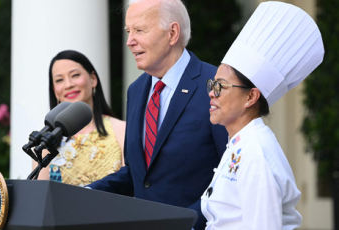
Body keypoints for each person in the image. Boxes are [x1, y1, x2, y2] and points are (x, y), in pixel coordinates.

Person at [88, 0, 228, 229]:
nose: (129, 42)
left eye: (139, 30)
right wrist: (87, 192)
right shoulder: (136, 90)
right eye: (128, 32)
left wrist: (187, 222)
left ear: (172, 33)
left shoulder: (214, 86)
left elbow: (231, 175)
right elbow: (138, 173)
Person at [200, 1, 324, 229]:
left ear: (251, 97)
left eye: (221, 86)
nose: (211, 93)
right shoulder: (240, 144)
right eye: (212, 84)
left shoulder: (256, 153)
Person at [33, 50, 126, 187]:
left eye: (75, 75)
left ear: (93, 79)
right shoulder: (46, 140)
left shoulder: (121, 129)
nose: (68, 85)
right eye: (59, 80)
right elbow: (39, 195)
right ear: (54, 90)